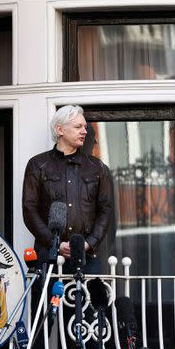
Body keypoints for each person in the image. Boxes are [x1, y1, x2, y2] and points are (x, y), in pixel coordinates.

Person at [22, 104, 113, 273]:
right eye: (78, 127)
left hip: (87, 258)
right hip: (48, 257)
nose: (84, 131)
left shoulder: (97, 167)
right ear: (60, 129)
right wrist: (54, 242)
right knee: (48, 300)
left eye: (85, 127)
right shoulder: (37, 165)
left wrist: (88, 244)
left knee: (90, 300)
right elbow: (29, 210)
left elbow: (105, 210)